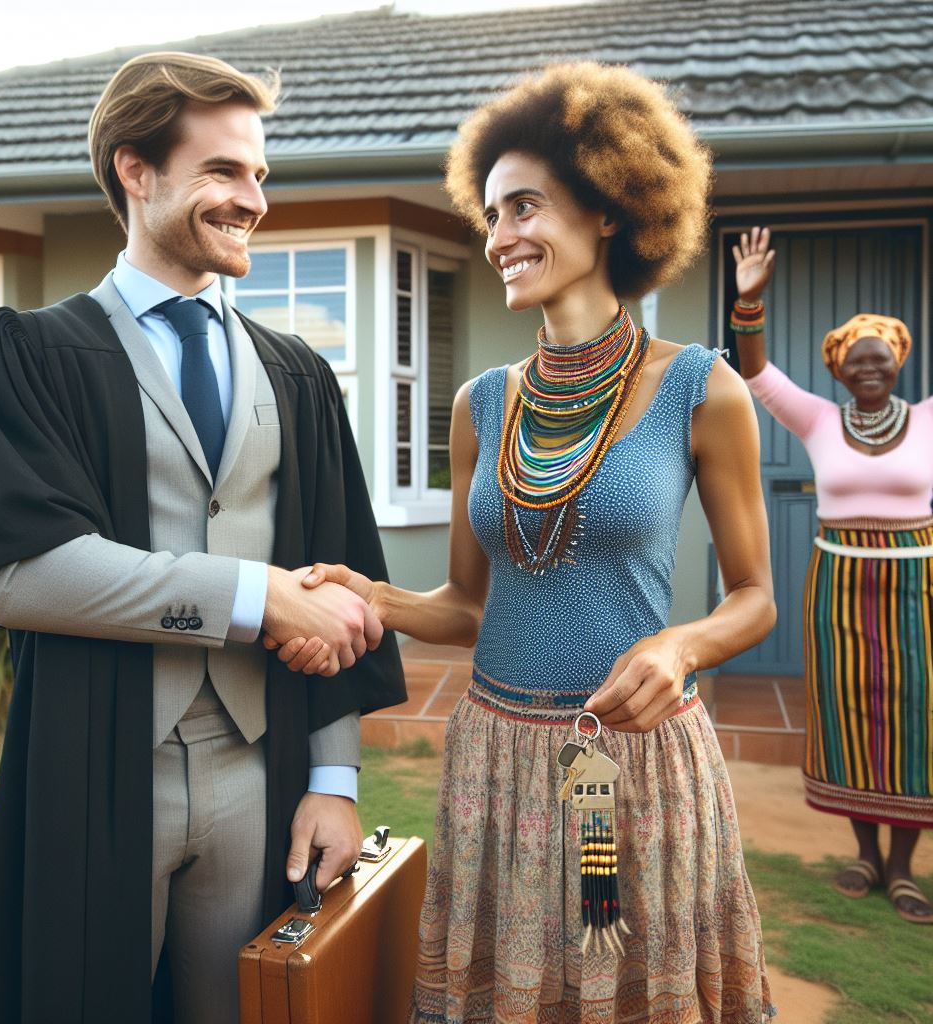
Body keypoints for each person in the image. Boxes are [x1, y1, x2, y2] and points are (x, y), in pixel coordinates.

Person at [270, 62, 778, 1021]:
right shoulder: (482, 405)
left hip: (635, 764)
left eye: (526, 209)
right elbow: (468, 608)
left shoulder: (701, 389)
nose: (500, 237)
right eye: (492, 214)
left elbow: (756, 595)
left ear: (611, 212)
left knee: (631, 984)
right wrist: (373, 596)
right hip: (493, 763)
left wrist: (681, 644)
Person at [0, 51, 406, 1024]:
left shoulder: (298, 374)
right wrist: (252, 592)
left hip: (255, 772)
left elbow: (342, 580)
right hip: (97, 767)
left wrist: (335, 777)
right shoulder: (27, 355)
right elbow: (23, 573)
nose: (253, 198)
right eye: (224, 171)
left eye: (259, 174)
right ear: (135, 171)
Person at [731, 226, 933, 925]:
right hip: (839, 585)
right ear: (840, 371)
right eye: (857, 362)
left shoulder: (929, 421)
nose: (870, 369)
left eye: (881, 359)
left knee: (914, 717)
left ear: (898, 363)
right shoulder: (818, 421)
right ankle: (863, 853)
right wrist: (748, 301)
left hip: (916, 590)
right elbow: (756, 375)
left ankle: (905, 867)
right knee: (846, 711)